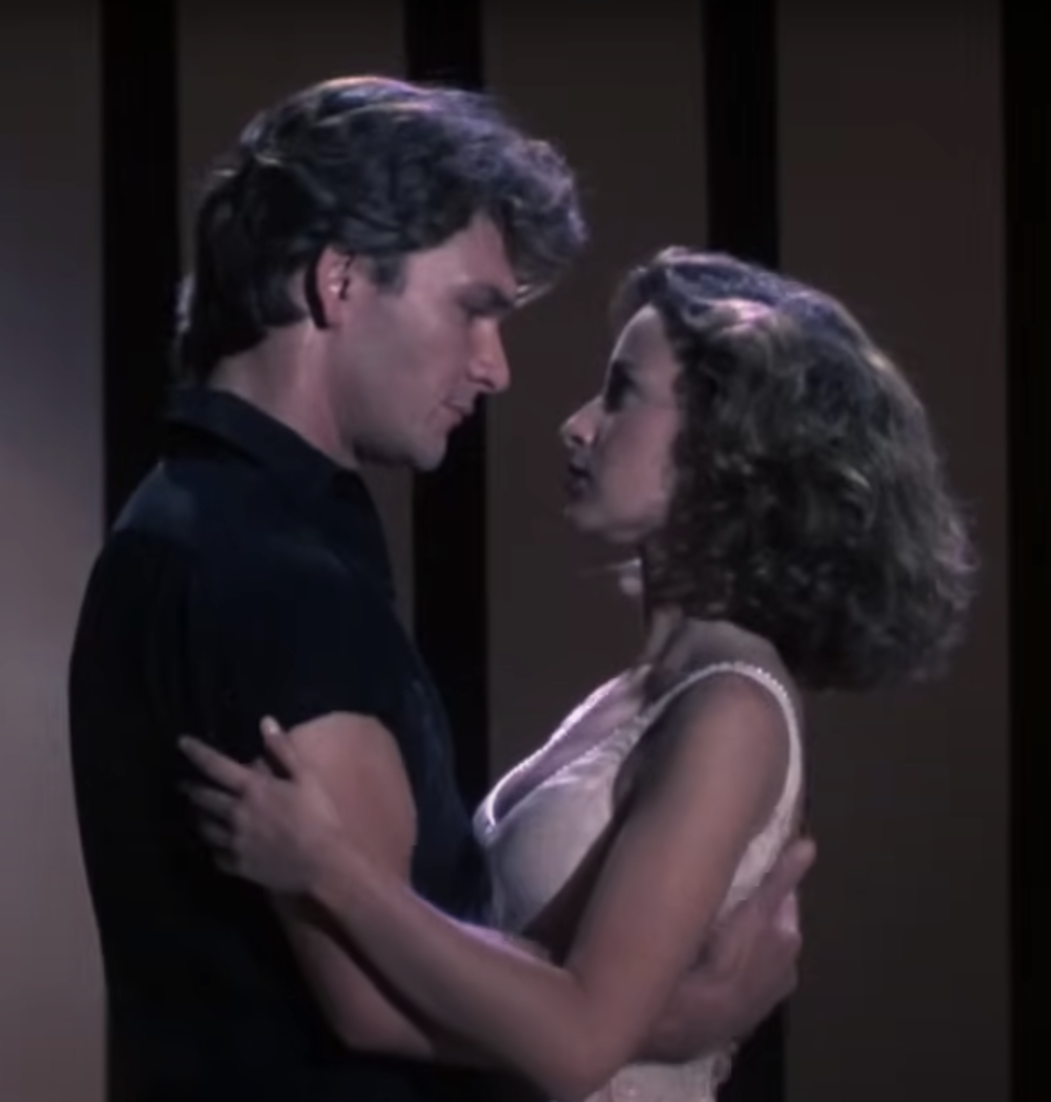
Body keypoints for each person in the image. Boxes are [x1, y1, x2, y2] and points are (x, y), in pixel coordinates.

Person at [67, 78, 808, 1102]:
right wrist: (687, 1016)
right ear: (338, 281)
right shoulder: (272, 573)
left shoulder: (204, 523)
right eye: (473, 309)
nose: (496, 369)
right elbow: (373, 1001)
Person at [178, 247, 979, 1101]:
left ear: (729, 448)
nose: (577, 424)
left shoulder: (733, 711)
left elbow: (576, 1043)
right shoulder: (643, 693)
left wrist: (331, 868)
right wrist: (681, 1016)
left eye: (622, 393)